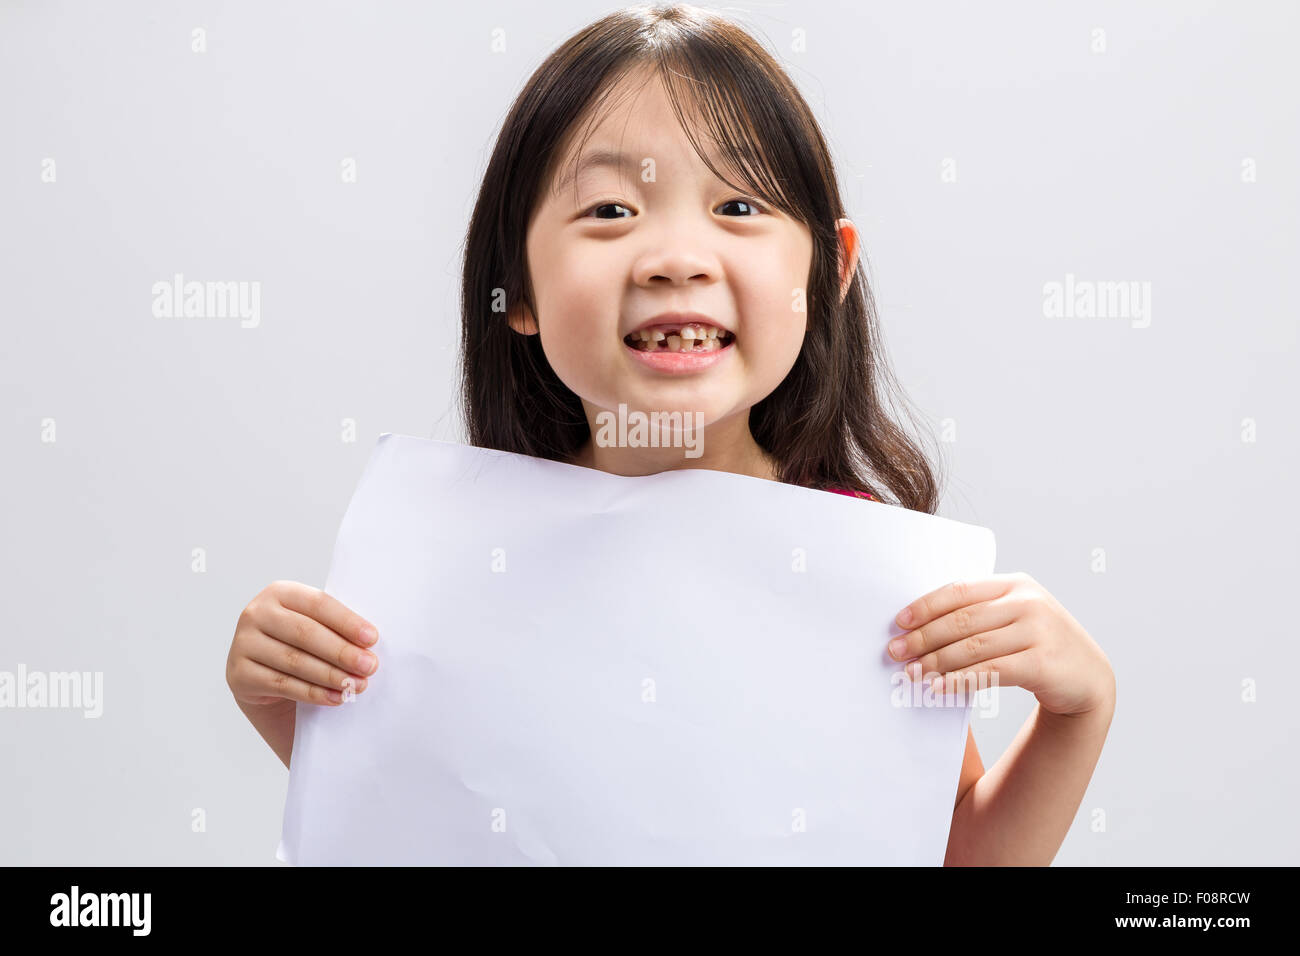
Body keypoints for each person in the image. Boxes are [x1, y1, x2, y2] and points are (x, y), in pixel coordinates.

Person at [226, 3, 1115, 866]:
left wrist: (1078, 713)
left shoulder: (860, 574)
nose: (675, 257)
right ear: (518, 289)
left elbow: (943, 854)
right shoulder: (450, 569)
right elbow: (412, 814)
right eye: (610, 211)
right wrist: (283, 698)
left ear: (829, 269)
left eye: (738, 207)